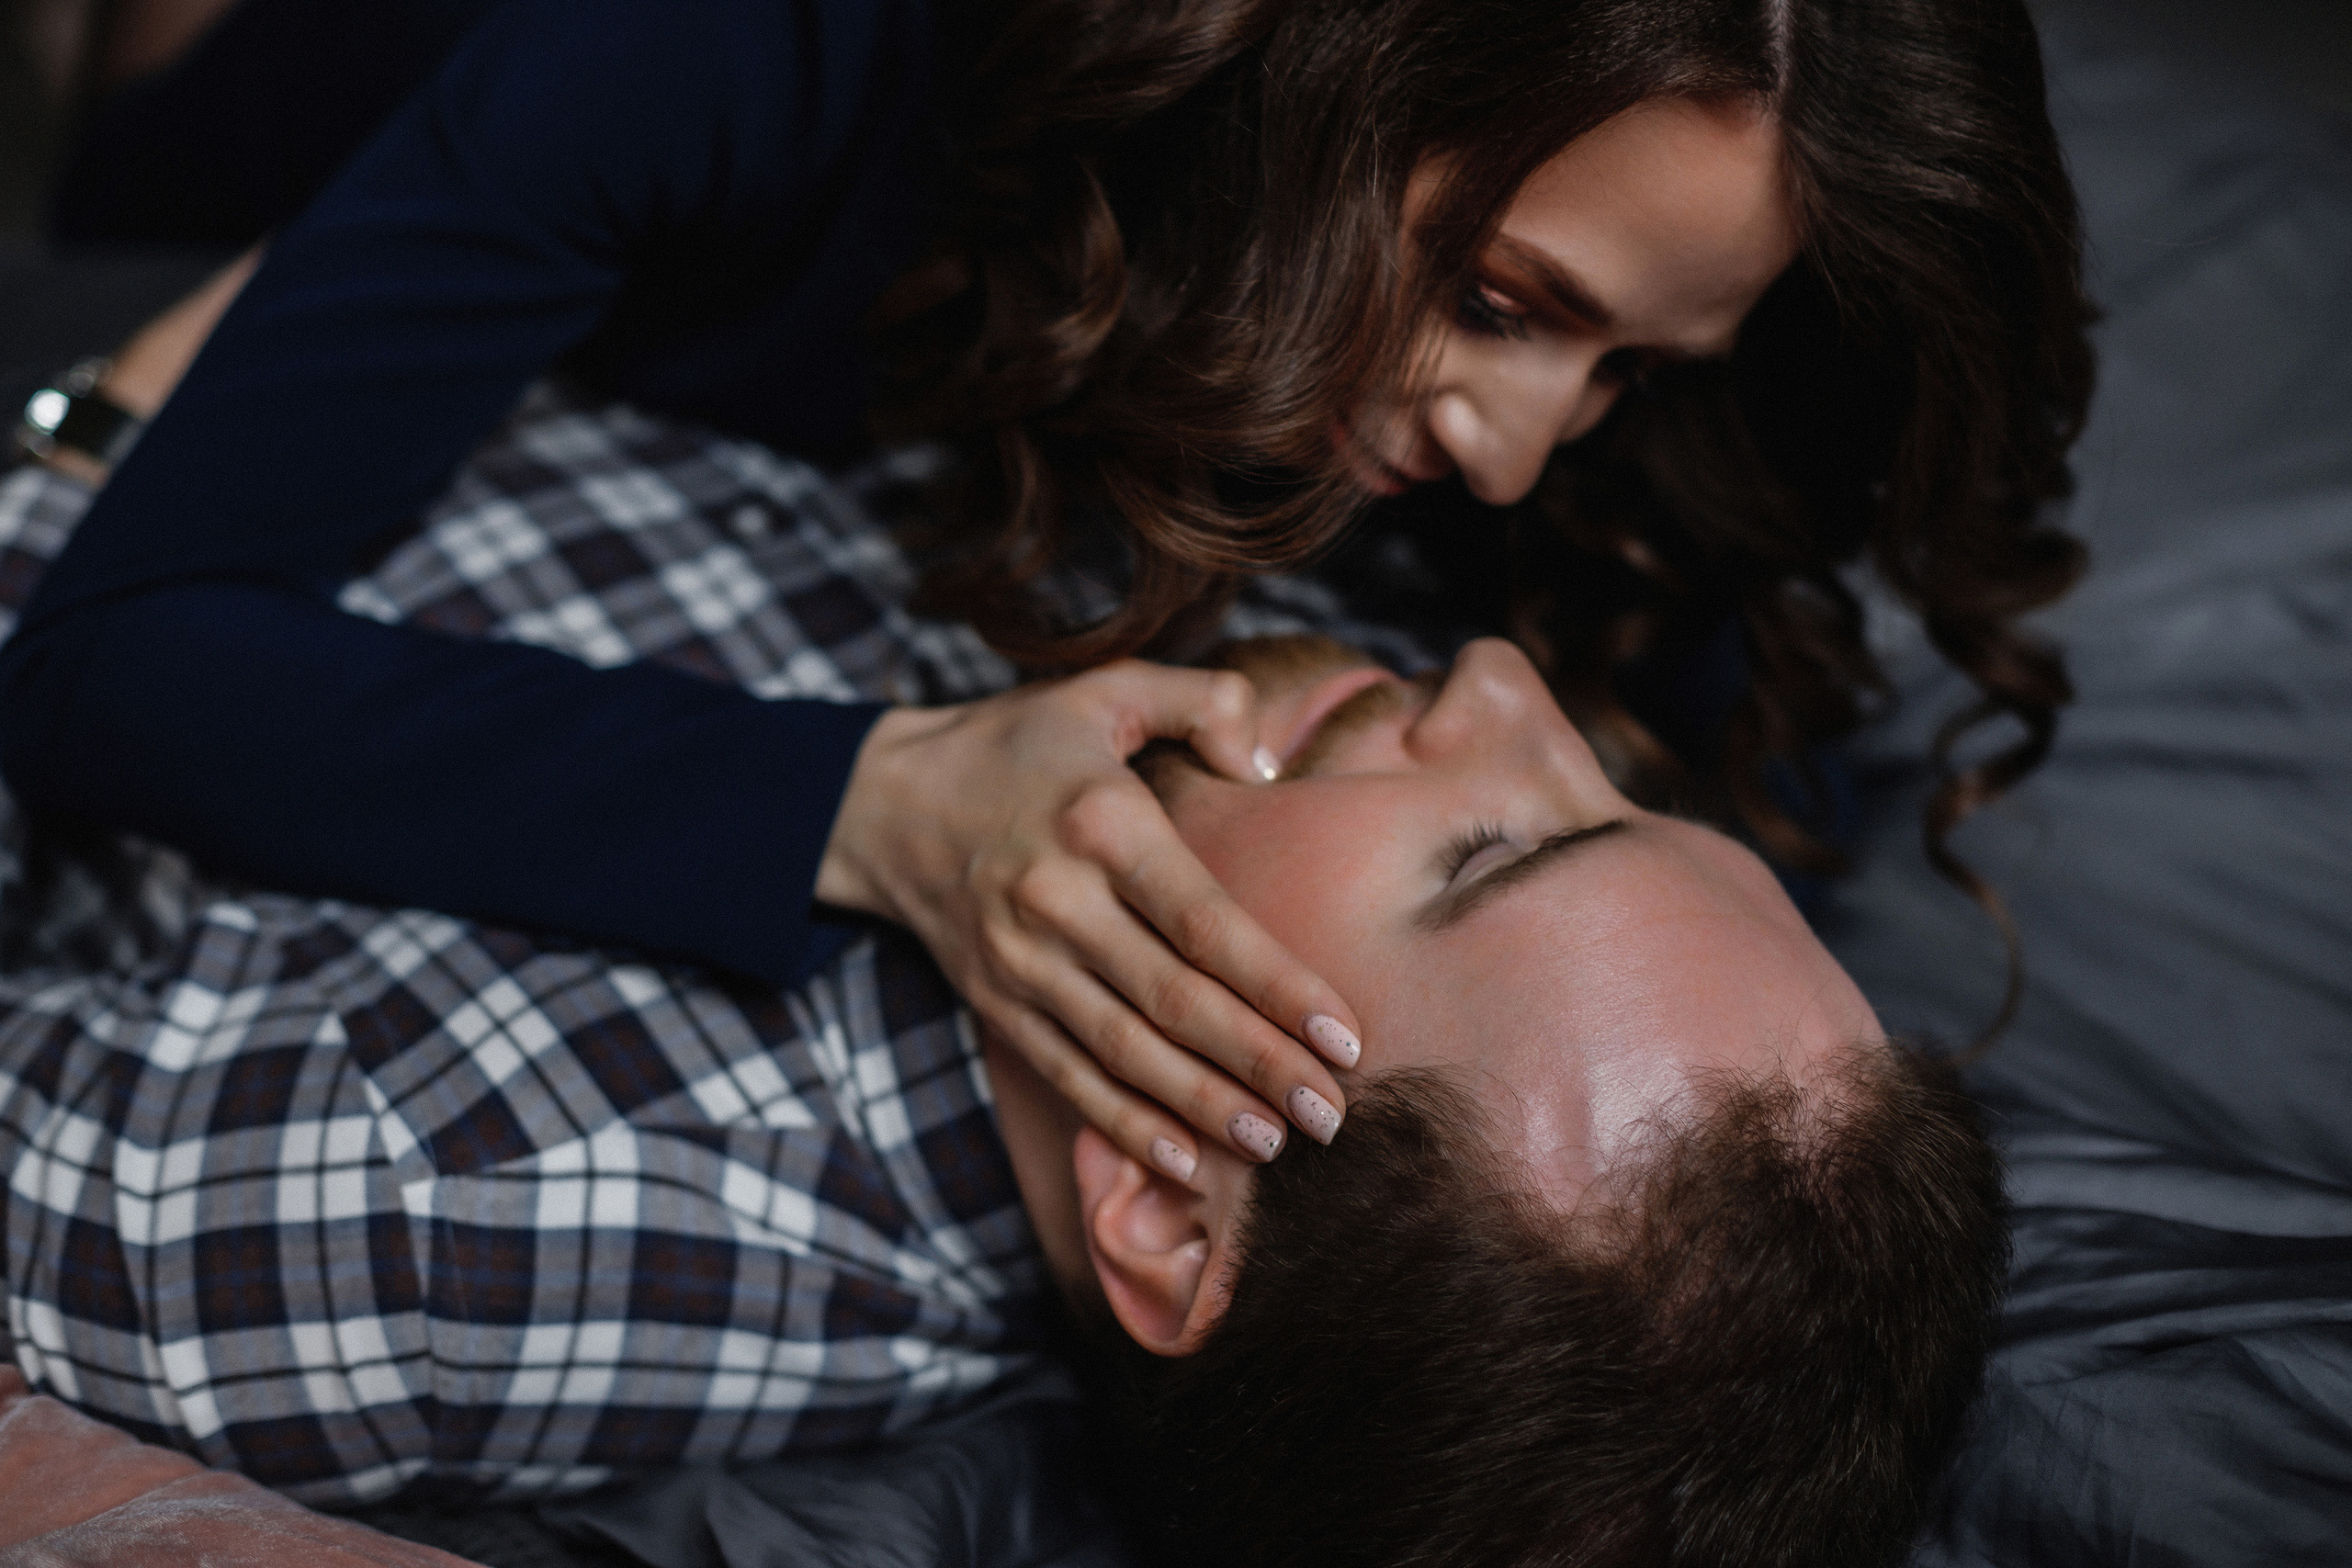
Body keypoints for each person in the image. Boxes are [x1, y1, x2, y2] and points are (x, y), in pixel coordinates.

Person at [0, 0, 2095, 1190]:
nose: (1518, 448)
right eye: (1489, 298)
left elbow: (1717, 746)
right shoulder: (755, 50)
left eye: (1626, 364)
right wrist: (871, 798)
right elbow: (115, 660)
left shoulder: (1530, 356)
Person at [0, 393, 2003, 1568]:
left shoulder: (450, 1204)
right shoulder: (1254, 716)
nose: (1500, 693)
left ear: (1161, 1189)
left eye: (1491, 845)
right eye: (1619, 789)